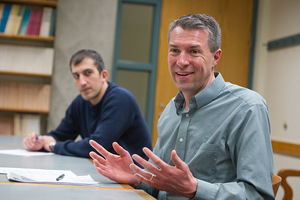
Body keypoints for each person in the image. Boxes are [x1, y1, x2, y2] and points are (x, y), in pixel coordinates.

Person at [89, 13, 275, 200]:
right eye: (174, 50)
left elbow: (259, 195)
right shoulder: (170, 110)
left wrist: (195, 188)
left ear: (215, 57)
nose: (182, 61)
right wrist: (137, 178)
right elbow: (160, 186)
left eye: (194, 51)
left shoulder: (248, 108)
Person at [23, 49, 152, 161]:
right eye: (76, 76)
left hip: (136, 180)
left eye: (88, 73)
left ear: (103, 76)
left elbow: (96, 147)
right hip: (106, 173)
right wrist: (40, 141)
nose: (82, 82)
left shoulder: (121, 99)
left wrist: (53, 146)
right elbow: (60, 135)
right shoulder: (80, 102)